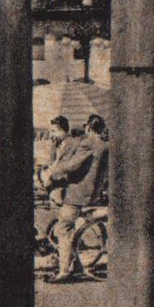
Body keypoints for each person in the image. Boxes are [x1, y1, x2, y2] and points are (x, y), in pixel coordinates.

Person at [44, 114, 108, 283]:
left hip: (78, 193)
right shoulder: (104, 145)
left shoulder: (89, 143)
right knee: (69, 226)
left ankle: (64, 271)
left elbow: (73, 165)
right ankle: (76, 263)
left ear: (88, 127)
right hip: (91, 191)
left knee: (63, 228)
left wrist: (51, 171)